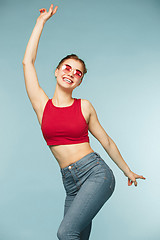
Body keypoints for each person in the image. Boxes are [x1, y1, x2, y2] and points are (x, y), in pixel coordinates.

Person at [22, 4, 146, 240]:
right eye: (67, 67)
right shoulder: (42, 105)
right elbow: (28, 63)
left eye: (78, 72)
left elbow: (106, 141)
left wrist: (127, 171)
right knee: (76, 236)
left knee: (66, 233)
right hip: (70, 184)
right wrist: (41, 23)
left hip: (96, 174)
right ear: (57, 71)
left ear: (79, 82)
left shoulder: (84, 106)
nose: (71, 73)